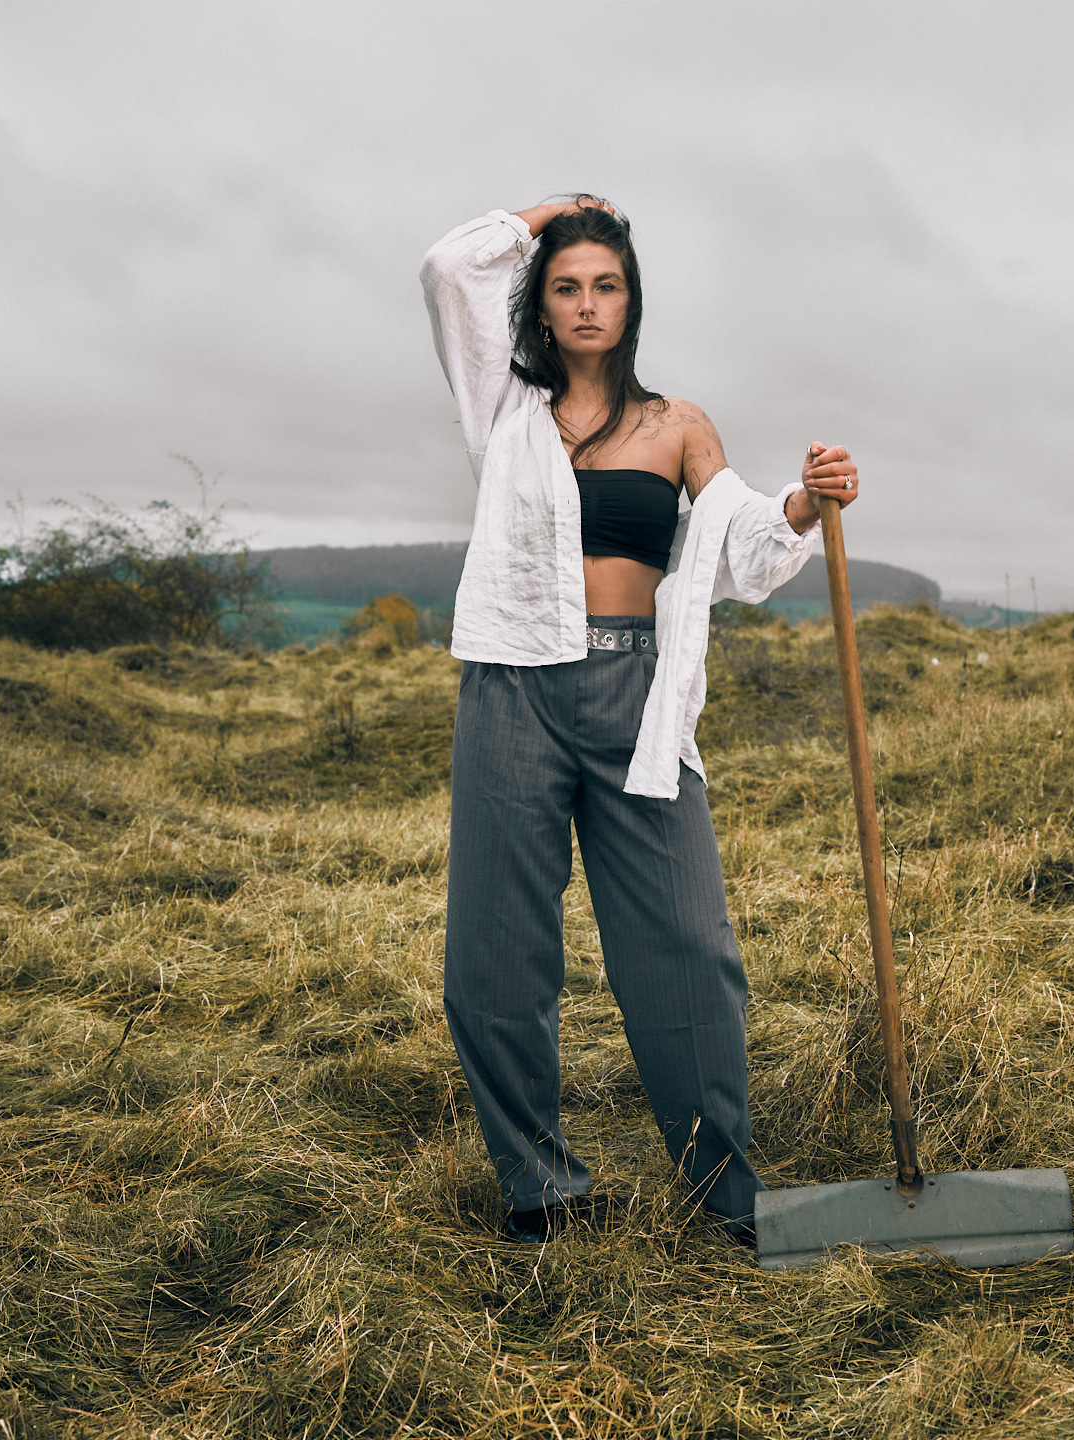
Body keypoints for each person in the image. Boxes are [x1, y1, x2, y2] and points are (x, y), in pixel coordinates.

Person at [419, 195, 861, 1248]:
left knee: (688, 948)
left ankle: (724, 1195)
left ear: (631, 302)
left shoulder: (678, 426)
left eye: (605, 285)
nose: (585, 304)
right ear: (542, 301)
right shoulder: (504, 406)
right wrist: (553, 213)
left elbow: (747, 542)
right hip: (512, 686)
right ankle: (540, 1191)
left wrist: (806, 502)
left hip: (636, 699)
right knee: (495, 957)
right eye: (565, 285)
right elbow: (448, 268)